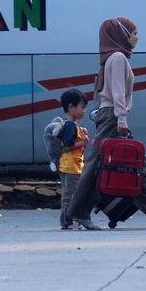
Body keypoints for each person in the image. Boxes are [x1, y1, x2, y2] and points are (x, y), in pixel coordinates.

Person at [67, 17, 146, 230]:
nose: (136, 38)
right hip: (113, 116)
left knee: (132, 164)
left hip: (110, 114)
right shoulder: (118, 57)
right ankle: (76, 213)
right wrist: (121, 118)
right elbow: (117, 92)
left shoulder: (111, 58)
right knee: (101, 166)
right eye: (133, 33)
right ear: (120, 34)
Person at [43, 89, 91, 230]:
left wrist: (81, 137)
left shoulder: (72, 125)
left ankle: (70, 219)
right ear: (71, 107)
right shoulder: (70, 125)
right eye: (82, 107)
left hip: (73, 166)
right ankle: (66, 221)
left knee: (71, 194)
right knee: (69, 195)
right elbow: (66, 146)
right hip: (70, 166)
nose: (84, 111)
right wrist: (82, 143)